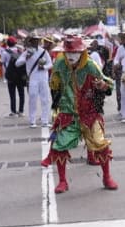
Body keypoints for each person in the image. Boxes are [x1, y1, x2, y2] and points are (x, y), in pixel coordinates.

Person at [41, 36, 118, 193]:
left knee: (100, 143)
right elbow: (54, 87)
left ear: (82, 52)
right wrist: (57, 106)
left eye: (75, 52)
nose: (71, 56)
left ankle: (107, 177)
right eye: (68, 52)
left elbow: (109, 83)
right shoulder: (60, 64)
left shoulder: (91, 65)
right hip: (68, 113)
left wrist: (102, 85)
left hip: (89, 113)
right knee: (59, 145)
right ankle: (63, 181)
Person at [20, 36, 53, 128]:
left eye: (37, 40)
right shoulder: (27, 52)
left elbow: (50, 64)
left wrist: (44, 67)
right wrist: (26, 58)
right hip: (33, 78)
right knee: (32, 99)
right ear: (30, 42)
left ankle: (45, 120)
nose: (36, 42)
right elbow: (18, 63)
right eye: (34, 40)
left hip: (43, 78)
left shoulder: (44, 51)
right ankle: (32, 120)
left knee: (45, 99)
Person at [0, 36, 27, 116]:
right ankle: (21, 111)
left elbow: (1, 62)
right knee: (21, 93)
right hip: (19, 75)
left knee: (12, 94)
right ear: (15, 43)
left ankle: (13, 111)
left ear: (7, 43)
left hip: (10, 75)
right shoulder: (20, 51)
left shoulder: (5, 52)